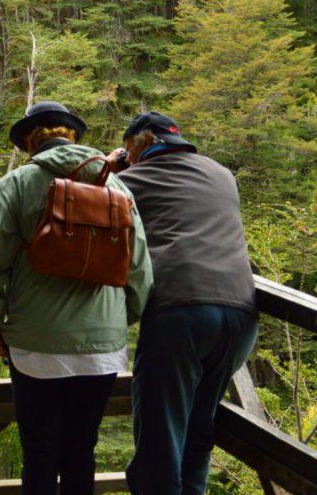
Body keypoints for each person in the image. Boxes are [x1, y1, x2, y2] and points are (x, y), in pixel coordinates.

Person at [0, 101, 153, 495]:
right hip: (102, 348)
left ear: (31, 143)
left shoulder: (16, 184)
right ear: (72, 137)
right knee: (81, 451)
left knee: (40, 452)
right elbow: (140, 271)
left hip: (35, 345)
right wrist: (119, 321)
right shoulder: (116, 186)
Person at [109, 111, 258, 495]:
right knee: (197, 433)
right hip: (241, 315)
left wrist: (113, 167)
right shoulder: (222, 174)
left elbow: (87, 199)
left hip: (180, 314)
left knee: (160, 441)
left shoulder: (129, 181)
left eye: (128, 149)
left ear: (141, 144)